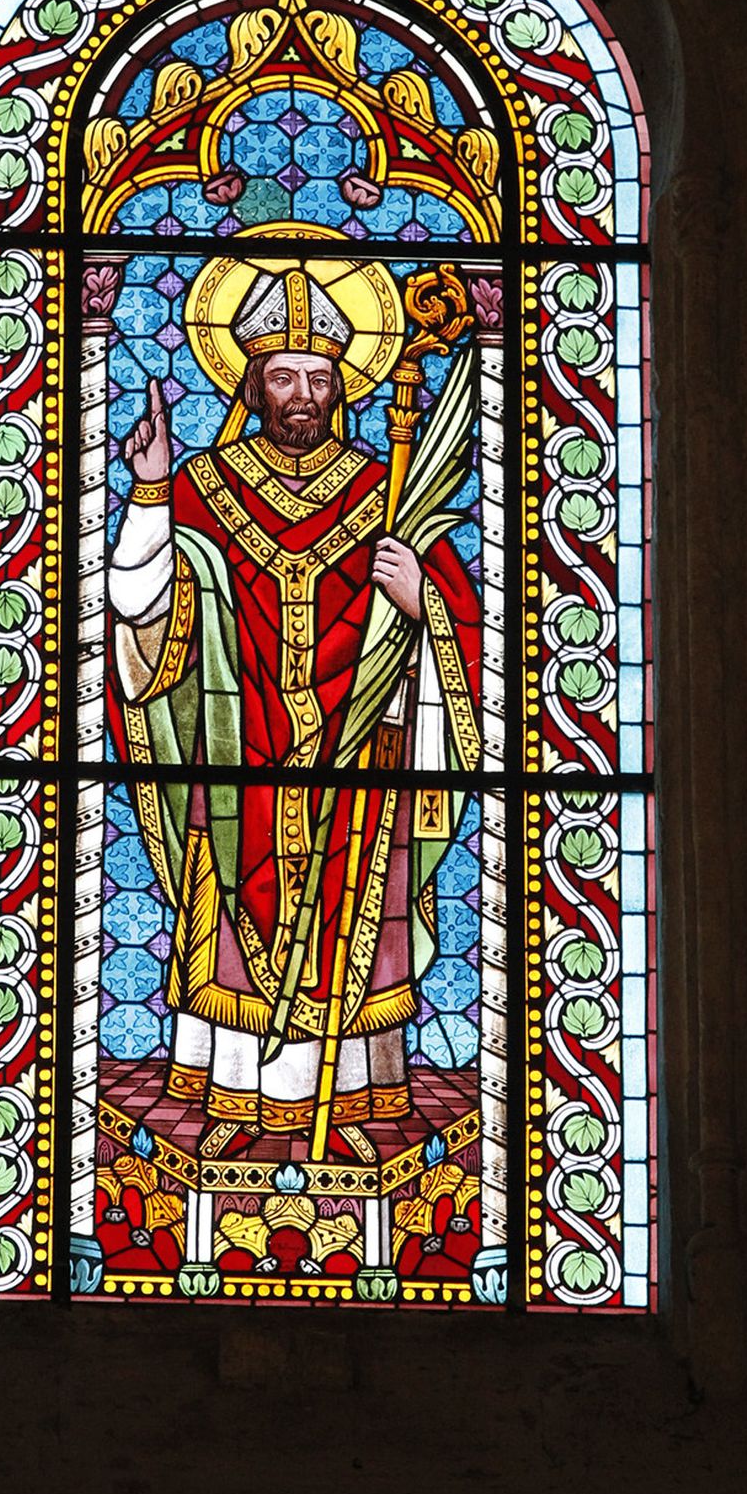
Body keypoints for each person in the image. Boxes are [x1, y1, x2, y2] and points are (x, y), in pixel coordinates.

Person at [106, 264, 481, 1160]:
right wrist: (152, 493)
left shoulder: (385, 492)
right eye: (283, 376)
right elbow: (140, 607)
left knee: (361, 924)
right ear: (250, 381)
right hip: (239, 758)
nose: (302, 395)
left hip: (362, 761)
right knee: (235, 921)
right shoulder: (202, 484)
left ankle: (352, 1096)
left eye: (319, 378)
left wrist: (423, 599)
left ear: (341, 386)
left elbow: (464, 626)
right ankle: (236, 1091)